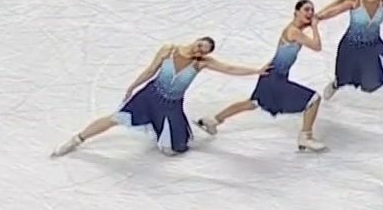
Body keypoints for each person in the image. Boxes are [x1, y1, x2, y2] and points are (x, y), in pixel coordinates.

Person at [52, 39, 266, 157]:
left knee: (172, 150)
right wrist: (133, 86)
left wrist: (256, 71)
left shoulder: (201, 63)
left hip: (171, 106)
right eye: (201, 45)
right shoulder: (169, 50)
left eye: (205, 51)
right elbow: (150, 70)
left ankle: (163, 129)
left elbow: (230, 69)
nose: (200, 50)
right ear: (197, 40)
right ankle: (76, 139)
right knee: (116, 118)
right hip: (149, 97)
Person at [196, 0, 329, 151]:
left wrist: (319, 17)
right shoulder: (294, 32)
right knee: (313, 99)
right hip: (274, 78)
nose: (310, 13)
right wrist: (315, 26)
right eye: (306, 9)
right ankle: (305, 137)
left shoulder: (296, 28)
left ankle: (213, 120)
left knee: (253, 103)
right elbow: (317, 46)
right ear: (296, 12)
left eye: (312, 10)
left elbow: (317, 18)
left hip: (271, 74)